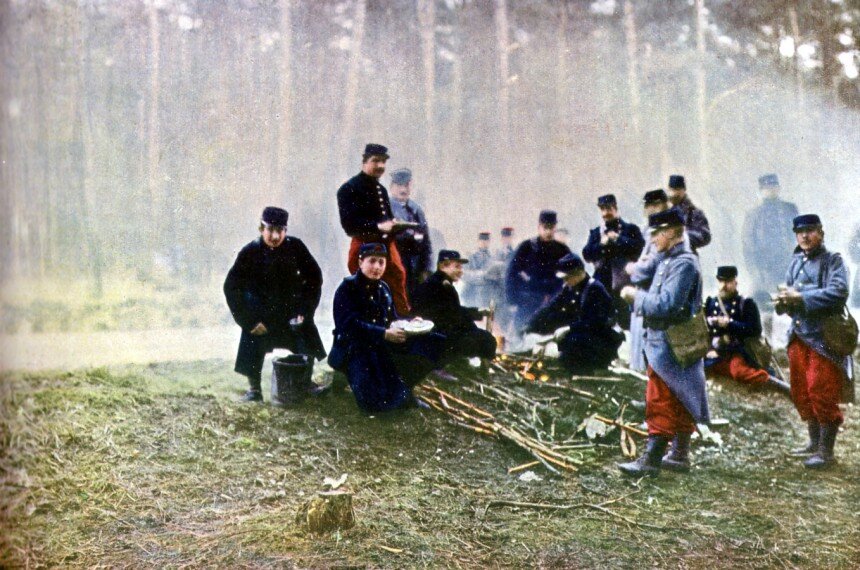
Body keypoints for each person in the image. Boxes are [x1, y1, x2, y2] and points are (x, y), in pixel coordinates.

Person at [617, 208, 710, 476]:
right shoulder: (668, 260)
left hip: (671, 344)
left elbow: (667, 305)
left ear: (672, 232)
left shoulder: (684, 264)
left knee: (661, 399)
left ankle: (651, 461)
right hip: (666, 342)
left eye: (657, 233)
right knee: (680, 396)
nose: (653, 238)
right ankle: (679, 455)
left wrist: (636, 298)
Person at [224, 207, 327, 403]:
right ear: (261, 228)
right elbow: (231, 288)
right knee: (252, 338)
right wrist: (249, 321)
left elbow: (314, 278)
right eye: (270, 230)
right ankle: (254, 389)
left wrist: (305, 312)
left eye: (280, 230)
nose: (275, 235)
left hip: (292, 314)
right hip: (261, 318)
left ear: (285, 231)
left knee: (305, 335)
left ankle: (305, 382)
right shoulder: (249, 252)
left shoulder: (296, 248)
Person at [328, 243, 444, 413]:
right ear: (361, 262)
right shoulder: (347, 288)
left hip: (379, 346)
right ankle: (366, 384)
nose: (377, 267)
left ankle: (405, 388)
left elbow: (392, 319)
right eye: (372, 261)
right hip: (353, 350)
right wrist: (384, 334)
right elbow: (348, 327)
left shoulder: (384, 288)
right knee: (375, 406)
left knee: (433, 341)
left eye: (381, 262)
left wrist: (410, 322)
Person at [774, 214, 850, 469]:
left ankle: (826, 452)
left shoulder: (833, 261)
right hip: (798, 336)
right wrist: (783, 302)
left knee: (821, 389)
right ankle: (814, 443)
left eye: (810, 231)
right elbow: (789, 293)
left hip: (824, 338)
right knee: (801, 390)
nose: (805, 236)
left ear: (821, 232)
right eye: (800, 232)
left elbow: (838, 292)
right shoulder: (796, 261)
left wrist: (800, 297)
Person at [337, 143, 412, 315]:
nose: (380, 166)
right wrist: (378, 226)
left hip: (387, 248)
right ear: (364, 162)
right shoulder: (349, 189)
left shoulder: (381, 190)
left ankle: (400, 323)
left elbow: (385, 220)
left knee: (397, 284)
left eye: (383, 162)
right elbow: (350, 226)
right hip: (365, 248)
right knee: (366, 292)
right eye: (375, 161)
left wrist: (395, 225)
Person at [525, 253, 623, 373]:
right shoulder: (570, 287)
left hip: (600, 340)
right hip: (581, 334)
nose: (565, 282)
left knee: (570, 350)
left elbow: (594, 323)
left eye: (567, 278)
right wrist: (529, 326)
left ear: (578, 273)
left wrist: (569, 329)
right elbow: (551, 307)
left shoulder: (595, 289)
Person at [703, 266, 790, 393]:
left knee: (738, 371)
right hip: (716, 350)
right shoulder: (711, 303)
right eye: (720, 282)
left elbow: (755, 330)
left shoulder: (745, 304)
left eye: (727, 282)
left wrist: (730, 324)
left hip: (738, 350)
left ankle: (769, 382)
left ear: (735, 282)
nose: (723, 286)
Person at [412, 249, 497, 374]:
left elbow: (452, 310)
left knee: (481, 337)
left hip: (441, 330)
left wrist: (478, 312)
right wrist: (475, 317)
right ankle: (439, 367)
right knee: (482, 340)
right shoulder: (438, 285)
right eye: (457, 266)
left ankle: (454, 362)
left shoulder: (441, 282)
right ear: (443, 265)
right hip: (435, 336)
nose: (461, 271)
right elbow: (450, 314)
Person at [582, 193, 645, 329]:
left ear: (615, 208)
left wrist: (618, 239)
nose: (605, 213)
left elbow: (639, 248)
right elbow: (587, 255)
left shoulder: (630, 229)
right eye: (602, 209)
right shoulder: (596, 233)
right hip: (602, 287)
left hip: (625, 284)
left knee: (629, 324)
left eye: (608, 209)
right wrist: (601, 245)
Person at [625, 189, 672, 371]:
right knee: (639, 340)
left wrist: (633, 269)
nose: (649, 209)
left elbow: (651, 264)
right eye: (647, 206)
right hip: (645, 289)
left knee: (651, 343)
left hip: (654, 290)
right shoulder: (647, 228)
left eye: (652, 205)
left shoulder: (663, 228)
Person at [506, 210, 572, 332]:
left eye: (551, 228)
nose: (548, 231)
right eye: (545, 227)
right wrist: (513, 300)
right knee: (520, 337)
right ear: (539, 227)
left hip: (553, 303)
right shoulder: (526, 247)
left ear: (555, 228)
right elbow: (511, 274)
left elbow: (572, 274)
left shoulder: (562, 250)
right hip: (527, 302)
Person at [742, 174, 799, 307]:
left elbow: (798, 236)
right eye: (767, 188)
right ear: (761, 191)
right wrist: (755, 270)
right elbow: (748, 244)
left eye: (774, 187)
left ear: (779, 188)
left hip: (787, 264)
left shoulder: (789, 209)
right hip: (764, 268)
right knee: (763, 305)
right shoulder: (754, 214)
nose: (771, 190)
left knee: (792, 302)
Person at [388, 168, 433, 299]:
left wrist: (427, 269)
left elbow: (426, 244)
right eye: (399, 185)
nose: (403, 189)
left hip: (415, 270)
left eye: (406, 185)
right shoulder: (386, 208)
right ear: (392, 187)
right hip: (395, 267)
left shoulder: (416, 209)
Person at [667, 174, 711, 252]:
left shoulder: (694, 212)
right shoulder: (666, 211)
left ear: (683, 190)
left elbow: (705, 235)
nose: (673, 193)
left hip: (685, 255)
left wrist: (682, 236)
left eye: (677, 189)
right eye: (671, 190)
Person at [462, 232, 493, 307]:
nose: (484, 243)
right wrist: (482, 275)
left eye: (486, 241)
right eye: (482, 240)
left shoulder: (492, 257)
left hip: (486, 295)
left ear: (489, 242)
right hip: (472, 293)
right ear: (478, 241)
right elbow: (464, 274)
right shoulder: (470, 256)